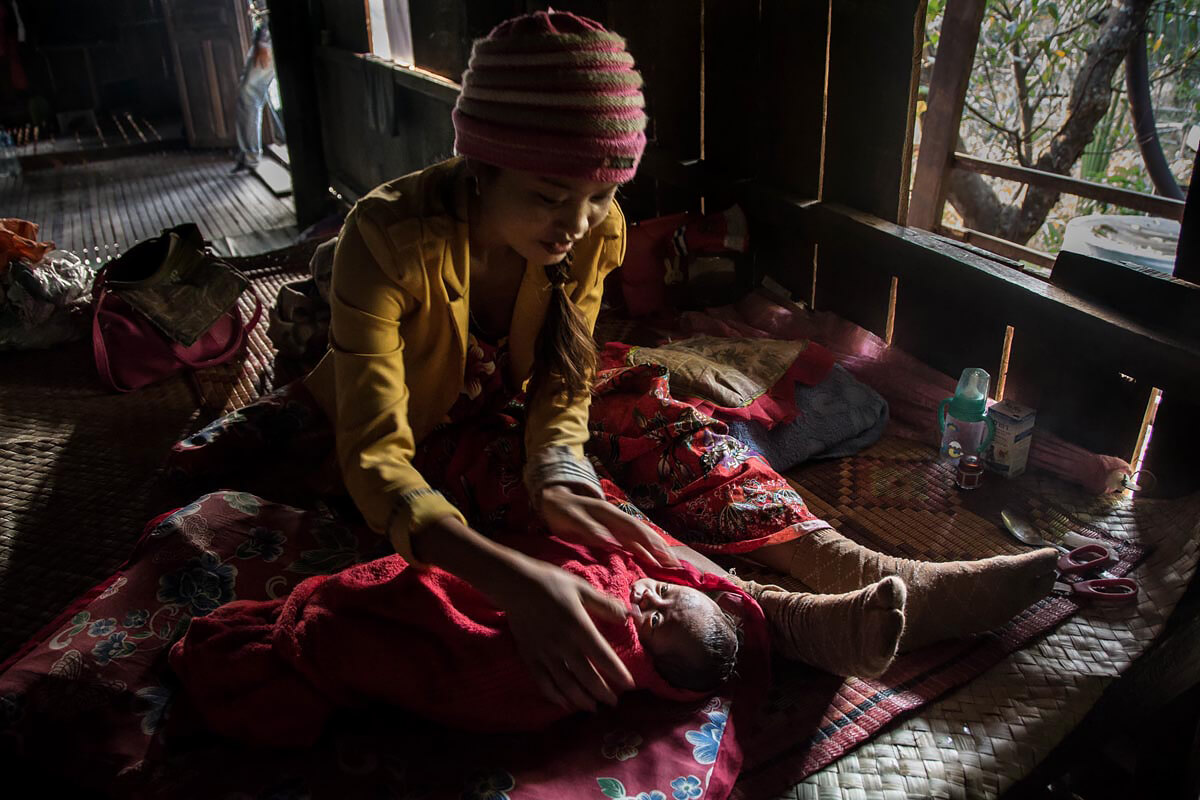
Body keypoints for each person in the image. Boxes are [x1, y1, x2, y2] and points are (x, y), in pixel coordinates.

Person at [179, 10, 1056, 716]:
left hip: (523, 399)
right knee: (535, 514)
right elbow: (377, 453)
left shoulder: (594, 230)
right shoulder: (388, 234)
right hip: (428, 418)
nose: (578, 222)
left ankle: (854, 567)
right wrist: (512, 577)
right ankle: (780, 620)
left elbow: (564, 382)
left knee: (657, 415)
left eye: (601, 196)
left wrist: (563, 467)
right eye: (549, 197)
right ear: (480, 168)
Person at [169, 531, 754, 747]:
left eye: (656, 618)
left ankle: (320, 641)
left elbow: (488, 673)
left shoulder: (612, 649)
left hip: (451, 651)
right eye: (665, 591)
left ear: (653, 666)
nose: (647, 598)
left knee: (384, 643)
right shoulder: (628, 573)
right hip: (451, 538)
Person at [232, 1, 284, 173]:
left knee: (249, 93)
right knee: (251, 94)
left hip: (270, 33)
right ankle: (249, 154)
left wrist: (263, 41)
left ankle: (250, 155)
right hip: (266, 30)